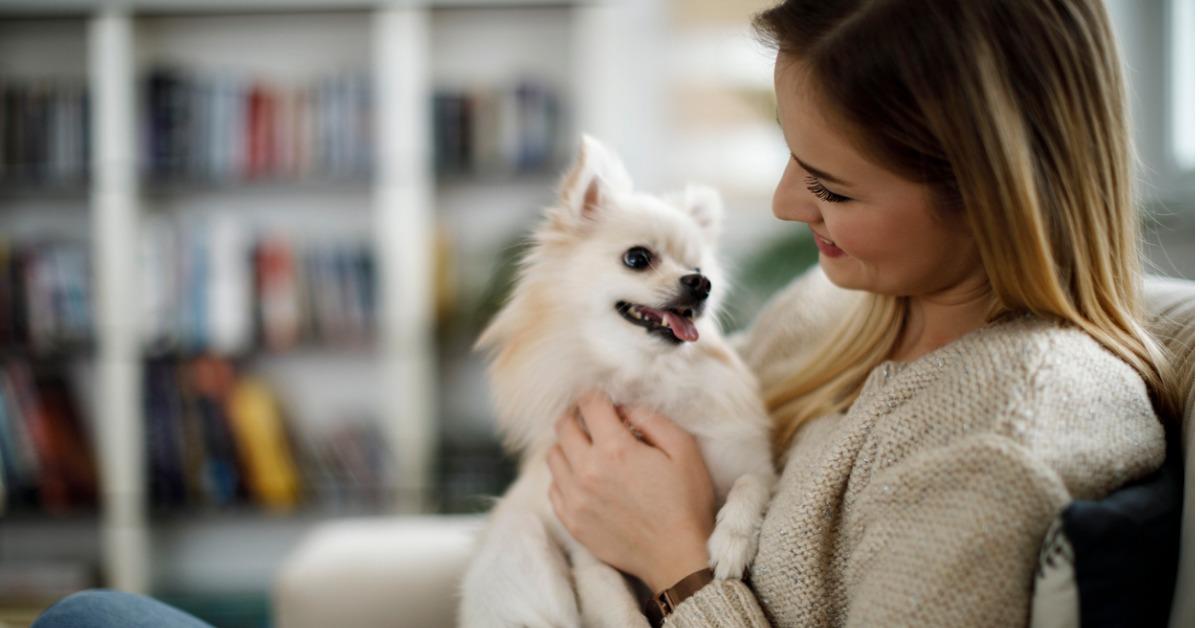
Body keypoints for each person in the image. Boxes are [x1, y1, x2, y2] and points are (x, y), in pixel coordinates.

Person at [544, 0, 1180, 626]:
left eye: (830, 187)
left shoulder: (999, 443)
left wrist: (675, 565)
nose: (784, 203)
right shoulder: (822, 310)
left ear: (992, 193)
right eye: (790, 153)